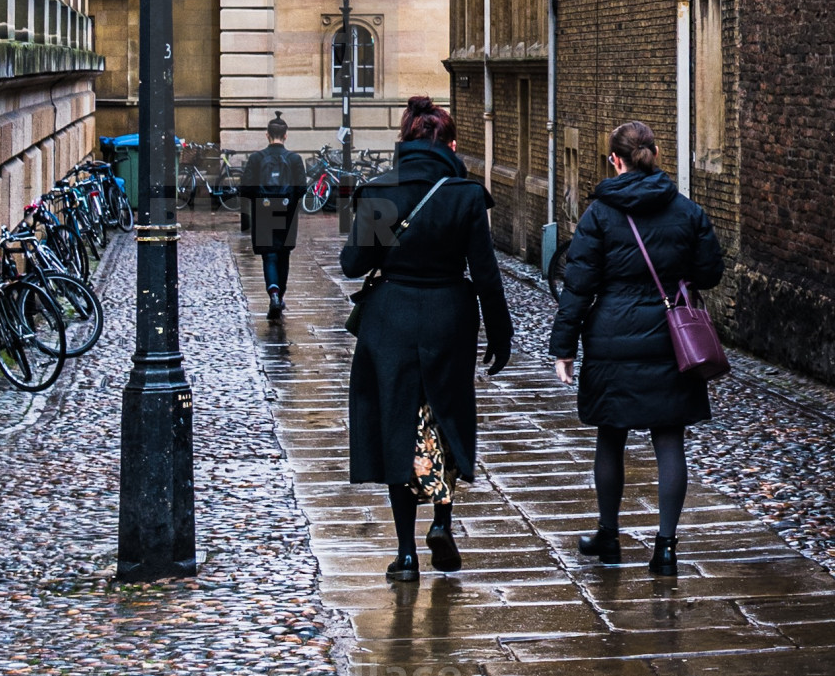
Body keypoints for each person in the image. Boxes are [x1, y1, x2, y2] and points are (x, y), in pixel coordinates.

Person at [341, 96, 513, 583]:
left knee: (397, 423)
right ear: (449, 144)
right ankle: (441, 520)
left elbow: (352, 264)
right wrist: (500, 334)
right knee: (445, 415)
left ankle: (406, 553)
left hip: (390, 317)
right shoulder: (464, 195)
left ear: (406, 140)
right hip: (448, 318)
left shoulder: (380, 190)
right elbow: (486, 274)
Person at [549, 120, 724, 576]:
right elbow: (710, 273)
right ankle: (665, 548)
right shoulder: (687, 211)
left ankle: (609, 538)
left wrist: (563, 348)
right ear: (657, 153)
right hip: (671, 339)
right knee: (669, 438)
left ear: (615, 160)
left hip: (611, 336)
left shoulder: (600, 215)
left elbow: (578, 286)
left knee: (611, 433)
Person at [240, 112, 308, 321]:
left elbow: (245, 188)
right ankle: (280, 296)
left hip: (263, 211)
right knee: (283, 255)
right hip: (287, 213)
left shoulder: (256, 158)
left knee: (269, 256)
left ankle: (274, 294)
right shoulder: (295, 159)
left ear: (267, 135)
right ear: (286, 135)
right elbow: (302, 188)